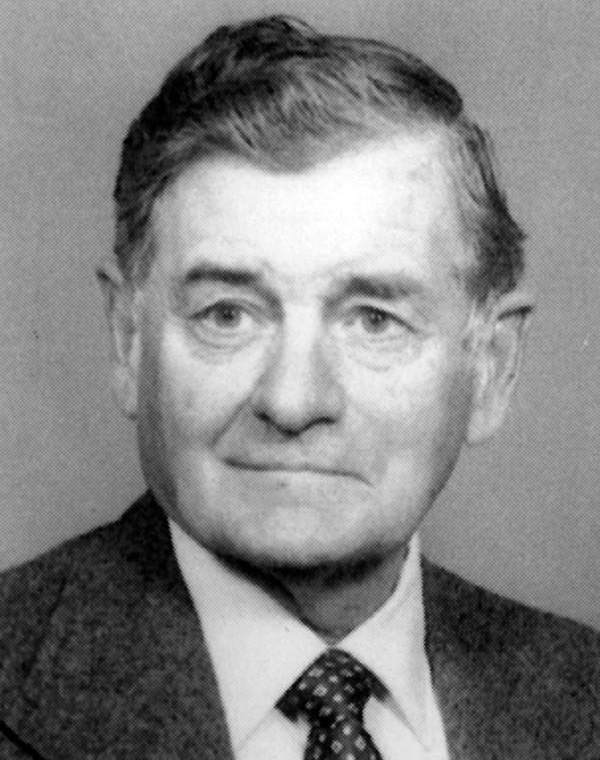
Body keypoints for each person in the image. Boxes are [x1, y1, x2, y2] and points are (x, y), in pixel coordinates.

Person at [1, 14, 599, 760]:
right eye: (228, 314)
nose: (292, 402)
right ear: (129, 339)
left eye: (374, 320)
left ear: (492, 367)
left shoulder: (583, 698)